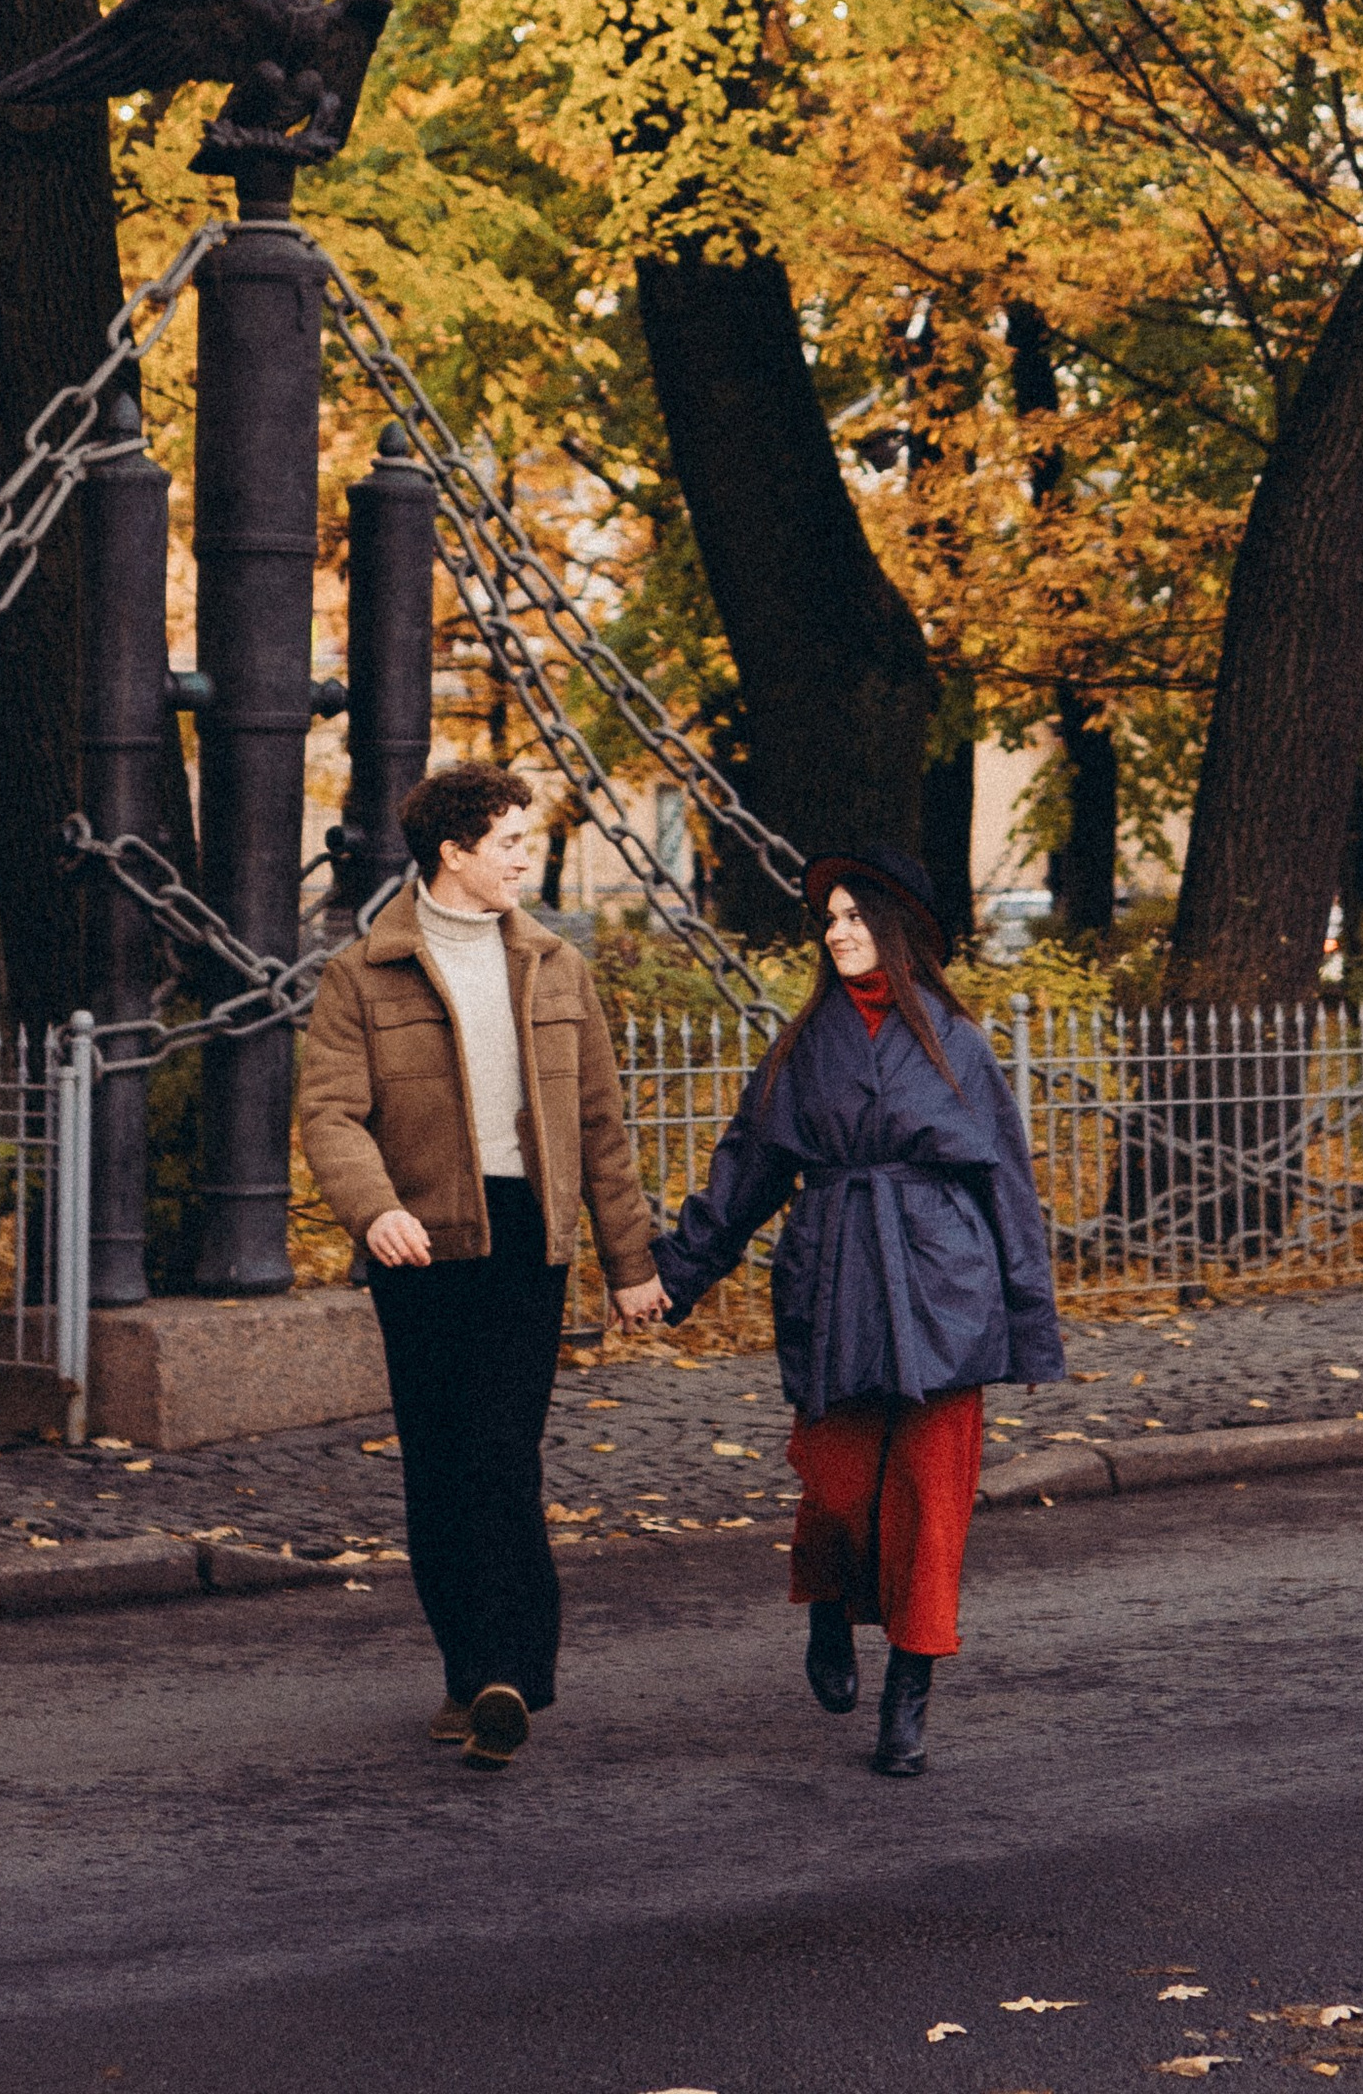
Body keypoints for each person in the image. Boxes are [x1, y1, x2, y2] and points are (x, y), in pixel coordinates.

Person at [652, 845, 1063, 1778]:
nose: (837, 933)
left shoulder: (958, 1045)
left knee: (930, 1502)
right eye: (829, 920)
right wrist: (680, 1273)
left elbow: (1007, 1186)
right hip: (834, 1278)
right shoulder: (805, 1046)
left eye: (854, 917)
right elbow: (749, 1168)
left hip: (944, 1287)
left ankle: (909, 1691)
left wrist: (1029, 1325)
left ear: (898, 929)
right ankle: (831, 1607)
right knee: (836, 1488)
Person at [300, 762, 666, 1769]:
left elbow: (600, 1125)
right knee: (438, 1463)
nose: (521, 858)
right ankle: (468, 1673)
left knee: (501, 1452)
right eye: (507, 842)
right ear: (452, 852)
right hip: (418, 1242)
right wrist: (375, 1209)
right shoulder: (363, 973)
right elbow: (330, 1114)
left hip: (524, 1237)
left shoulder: (556, 966)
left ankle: (509, 1672)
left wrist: (629, 1260)